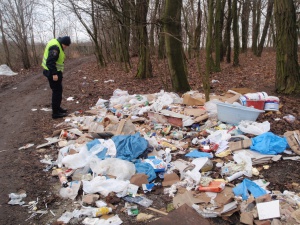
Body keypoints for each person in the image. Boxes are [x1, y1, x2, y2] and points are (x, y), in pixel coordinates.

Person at [42, 36, 71, 119]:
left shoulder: (56, 42)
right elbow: (50, 62)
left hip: (54, 71)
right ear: (63, 43)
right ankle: (55, 113)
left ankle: (58, 108)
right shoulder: (56, 48)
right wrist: (54, 74)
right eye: (65, 46)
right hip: (52, 72)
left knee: (59, 90)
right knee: (56, 92)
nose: (65, 48)